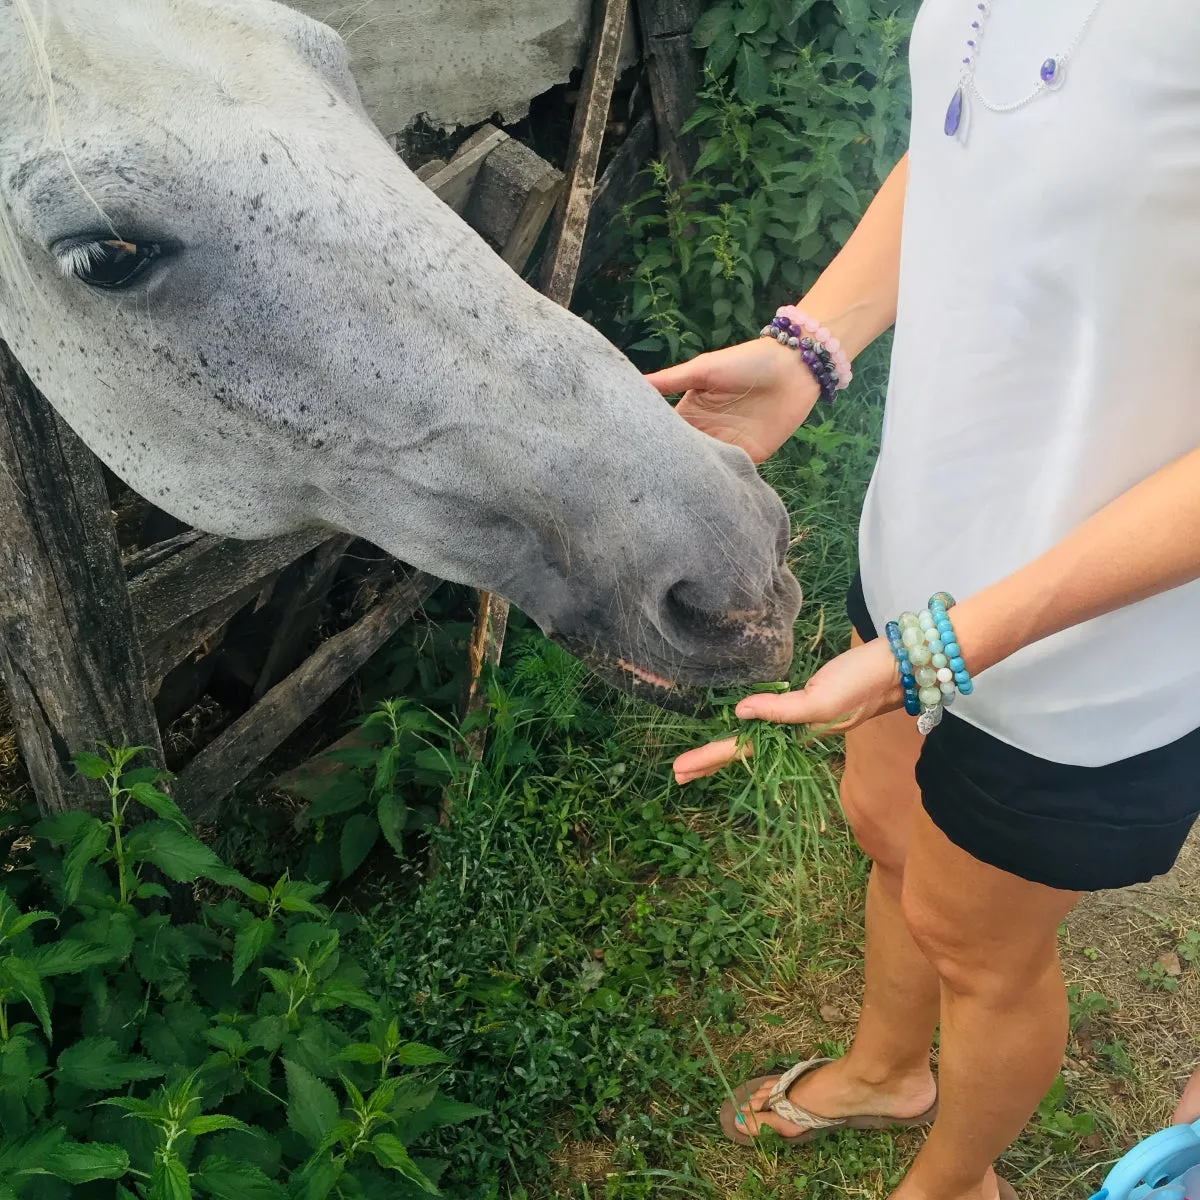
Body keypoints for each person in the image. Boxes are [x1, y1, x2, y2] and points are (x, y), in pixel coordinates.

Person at [648, 3, 1200, 1198]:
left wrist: (946, 647)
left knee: (980, 944)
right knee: (888, 828)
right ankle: (890, 1068)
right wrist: (807, 350)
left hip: (1099, 643)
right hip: (924, 537)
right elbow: (967, 143)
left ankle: (954, 1183)